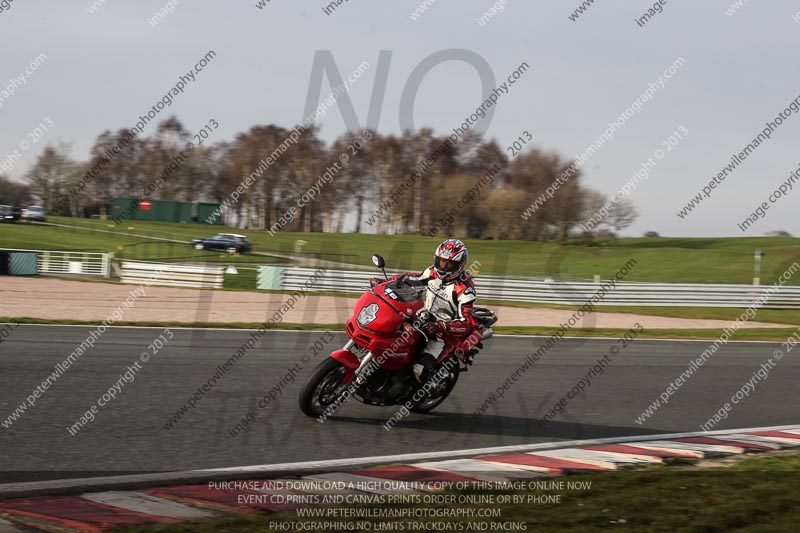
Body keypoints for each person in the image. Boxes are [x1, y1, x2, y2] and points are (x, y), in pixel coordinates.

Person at [371, 239, 481, 382]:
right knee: (390, 333)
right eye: (441, 261)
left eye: (449, 264)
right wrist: (385, 282)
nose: (443, 266)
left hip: (444, 334)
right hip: (423, 318)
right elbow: (410, 278)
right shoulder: (432, 272)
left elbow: (466, 324)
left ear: (460, 265)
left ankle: (420, 390)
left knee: (421, 371)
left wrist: (440, 326)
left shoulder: (465, 290)